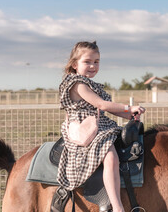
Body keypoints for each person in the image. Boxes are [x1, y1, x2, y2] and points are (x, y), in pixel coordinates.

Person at [57, 41, 145, 212]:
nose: (92, 66)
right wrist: (128, 107)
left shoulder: (92, 84)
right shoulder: (77, 84)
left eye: (96, 61)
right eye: (87, 61)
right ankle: (117, 206)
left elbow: (109, 106)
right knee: (110, 156)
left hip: (99, 126)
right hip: (85, 130)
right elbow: (102, 105)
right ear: (75, 64)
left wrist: (129, 115)